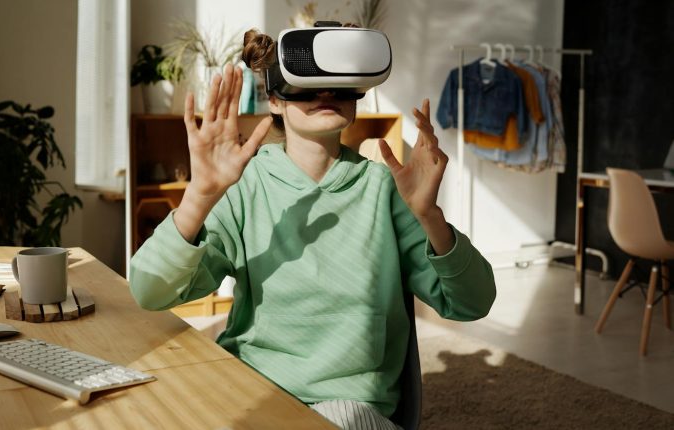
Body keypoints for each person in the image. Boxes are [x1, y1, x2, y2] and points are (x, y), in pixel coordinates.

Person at [129, 29, 497, 430]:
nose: (326, 93)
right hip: (251, 390)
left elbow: (473, 302)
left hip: (351, 407)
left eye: (339, 85)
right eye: (308, 85)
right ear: (274, 98)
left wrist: (430, 215)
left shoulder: (385, 189)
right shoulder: (247, 185)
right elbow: (150, 291)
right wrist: (199, 196)